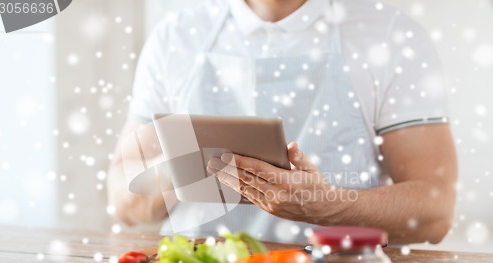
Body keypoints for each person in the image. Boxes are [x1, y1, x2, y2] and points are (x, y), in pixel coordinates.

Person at [107, 0, 457, 244]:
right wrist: (179, 171)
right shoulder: (175, 37)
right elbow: (124, 205)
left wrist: (331, 206)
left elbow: (435, 211)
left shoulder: (389, 36)